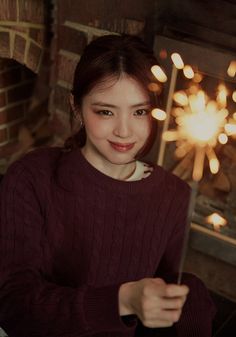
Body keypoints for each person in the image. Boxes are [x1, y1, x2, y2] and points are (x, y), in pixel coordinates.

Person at [0, 34, 216, 337]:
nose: (124, 131)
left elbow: (167, 297)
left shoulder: (174, 196)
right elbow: (14, 307)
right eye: (105, 111)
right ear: (77, 107)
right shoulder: (31, 178)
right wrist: (121, 300)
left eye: (139, 111)